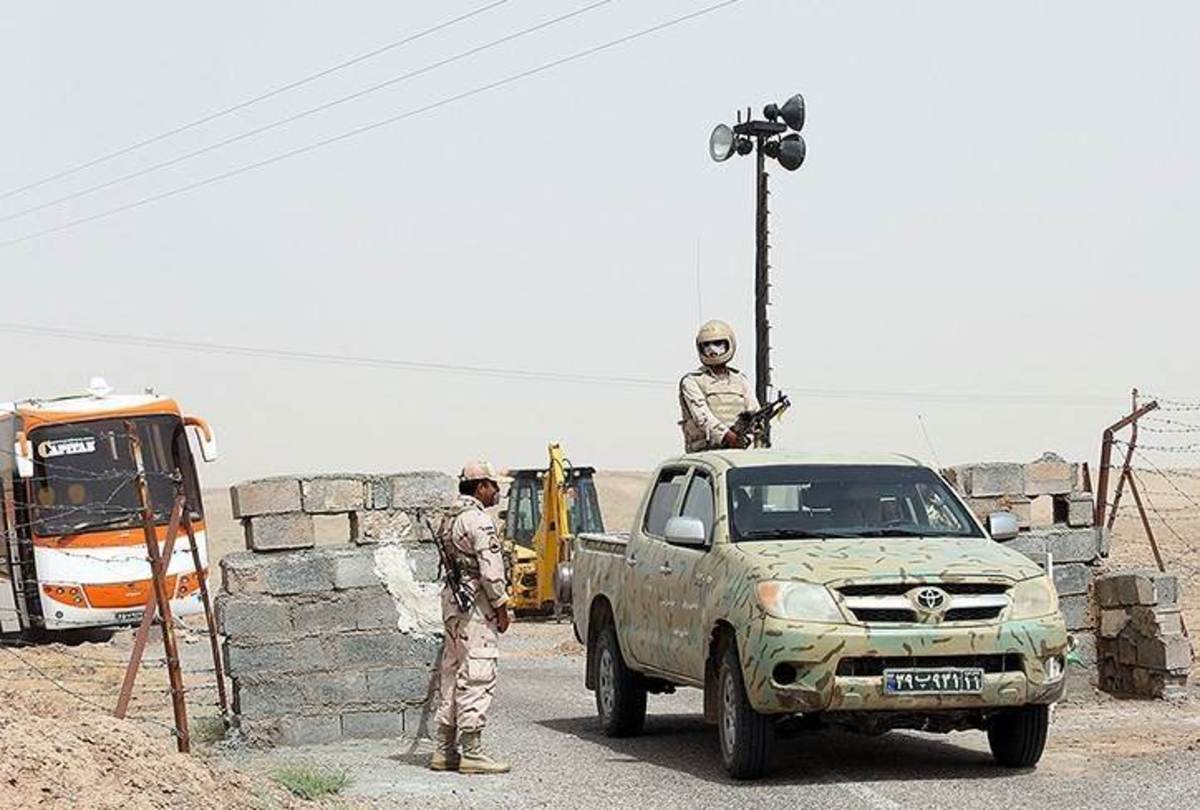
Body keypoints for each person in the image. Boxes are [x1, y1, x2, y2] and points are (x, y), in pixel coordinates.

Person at [429, 461, 512, 774]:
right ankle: (473, 752)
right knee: (477, 670)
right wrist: (501, 608)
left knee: (452, 672)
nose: (497, 491)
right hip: (475, 607)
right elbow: (491, 572)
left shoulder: (448, 519)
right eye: (493, 485)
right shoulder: (478, 521)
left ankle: (443, 750)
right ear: (481, 487)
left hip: (452, 605)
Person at [678, 319, 759, 452]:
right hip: (705, 454)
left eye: (717, 343)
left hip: (740, 452)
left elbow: (753, 411)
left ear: (729, 344)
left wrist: (746, 437)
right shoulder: (692, 381)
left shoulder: (740, 379)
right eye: (706, 345)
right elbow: (702, 417)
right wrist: (728, 436)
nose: (712, 349)